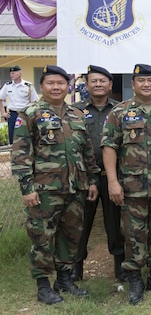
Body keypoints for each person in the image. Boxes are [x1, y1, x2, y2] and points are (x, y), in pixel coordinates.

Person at [11, 65, 99, 305]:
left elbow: (87, 152)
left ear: (68, 86)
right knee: (42, 237)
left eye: (61, 83)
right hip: (44, 191)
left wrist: (92, 179)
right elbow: (20, 154)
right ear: (42, 86)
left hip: (75, 188)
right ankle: (43, 285)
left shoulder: (76, 115)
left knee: (70, 236)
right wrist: (26, 188)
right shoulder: (30, 114)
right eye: (51, 83)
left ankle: (64, 279)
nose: (57, 87)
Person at [102, 64, 151, 305]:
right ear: (133, 84)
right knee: (133, 234)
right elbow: (109, 147)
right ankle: (135, 278)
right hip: (131, 187)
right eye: (141, 80)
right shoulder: (119, 112)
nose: (146, 84)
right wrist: (113, 182)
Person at [71, 65, 125, 283]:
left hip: (113, 177)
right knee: (80, 224)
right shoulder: (74, 111)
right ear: (87, 84)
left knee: (116, 225)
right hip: (84, 179)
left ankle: (121, 268)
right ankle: (75, 269)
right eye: (94, 81)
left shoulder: (121, 110)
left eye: (103, 81)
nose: (98, 84)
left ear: (110, 85)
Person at [0, 65, 38, 144]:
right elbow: (0, 99)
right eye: (10, 73)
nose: (11, 75)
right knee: (12, 136)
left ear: (20, 73)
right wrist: (3, 113)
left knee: (26, 135)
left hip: (25, 114)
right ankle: (13, 155)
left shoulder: (28, 86)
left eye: (13, 73)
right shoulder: (8, 85)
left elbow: (34, 101)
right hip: (12, 114)